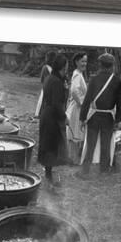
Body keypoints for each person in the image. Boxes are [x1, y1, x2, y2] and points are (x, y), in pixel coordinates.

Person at [78, 52, 121, 177]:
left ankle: (85, 169)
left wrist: (82, 118)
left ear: (100, 65)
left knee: (90, 144)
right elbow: (120, 103)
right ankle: (104, 170)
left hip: (94, 117)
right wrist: (118, 120)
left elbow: (87, 100)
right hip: (108, 118)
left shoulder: (94, 79)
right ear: (112, 65)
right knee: (106, 144)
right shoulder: (117, 81)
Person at [38, 53, 69, 183]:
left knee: (48, 144)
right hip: (52, 116)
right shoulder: (56, 82)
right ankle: (49, 175)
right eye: (67, 65)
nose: (68, 68)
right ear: (63, 66)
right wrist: (64, 117)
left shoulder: (50, 78)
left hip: (46, 113)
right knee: (50, 144)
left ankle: (48, 171)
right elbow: (57, 103)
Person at [66, 52, 88, 164]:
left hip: (78, 106)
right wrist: (81, 103)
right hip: (77, 107)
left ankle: (73, 158)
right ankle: (72, 159)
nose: (85, 63)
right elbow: (74, 90)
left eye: (86, 61)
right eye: (82, 61)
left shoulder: (79, 74)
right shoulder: (77, 75)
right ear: (76, 62)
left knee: (76, 132)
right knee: (75, 132)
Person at [34, 50, 56, 118]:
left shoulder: (53, 68)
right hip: (47, 88)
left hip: (52, 89)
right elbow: (44, 79)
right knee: (43, 101)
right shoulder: (45, 68)